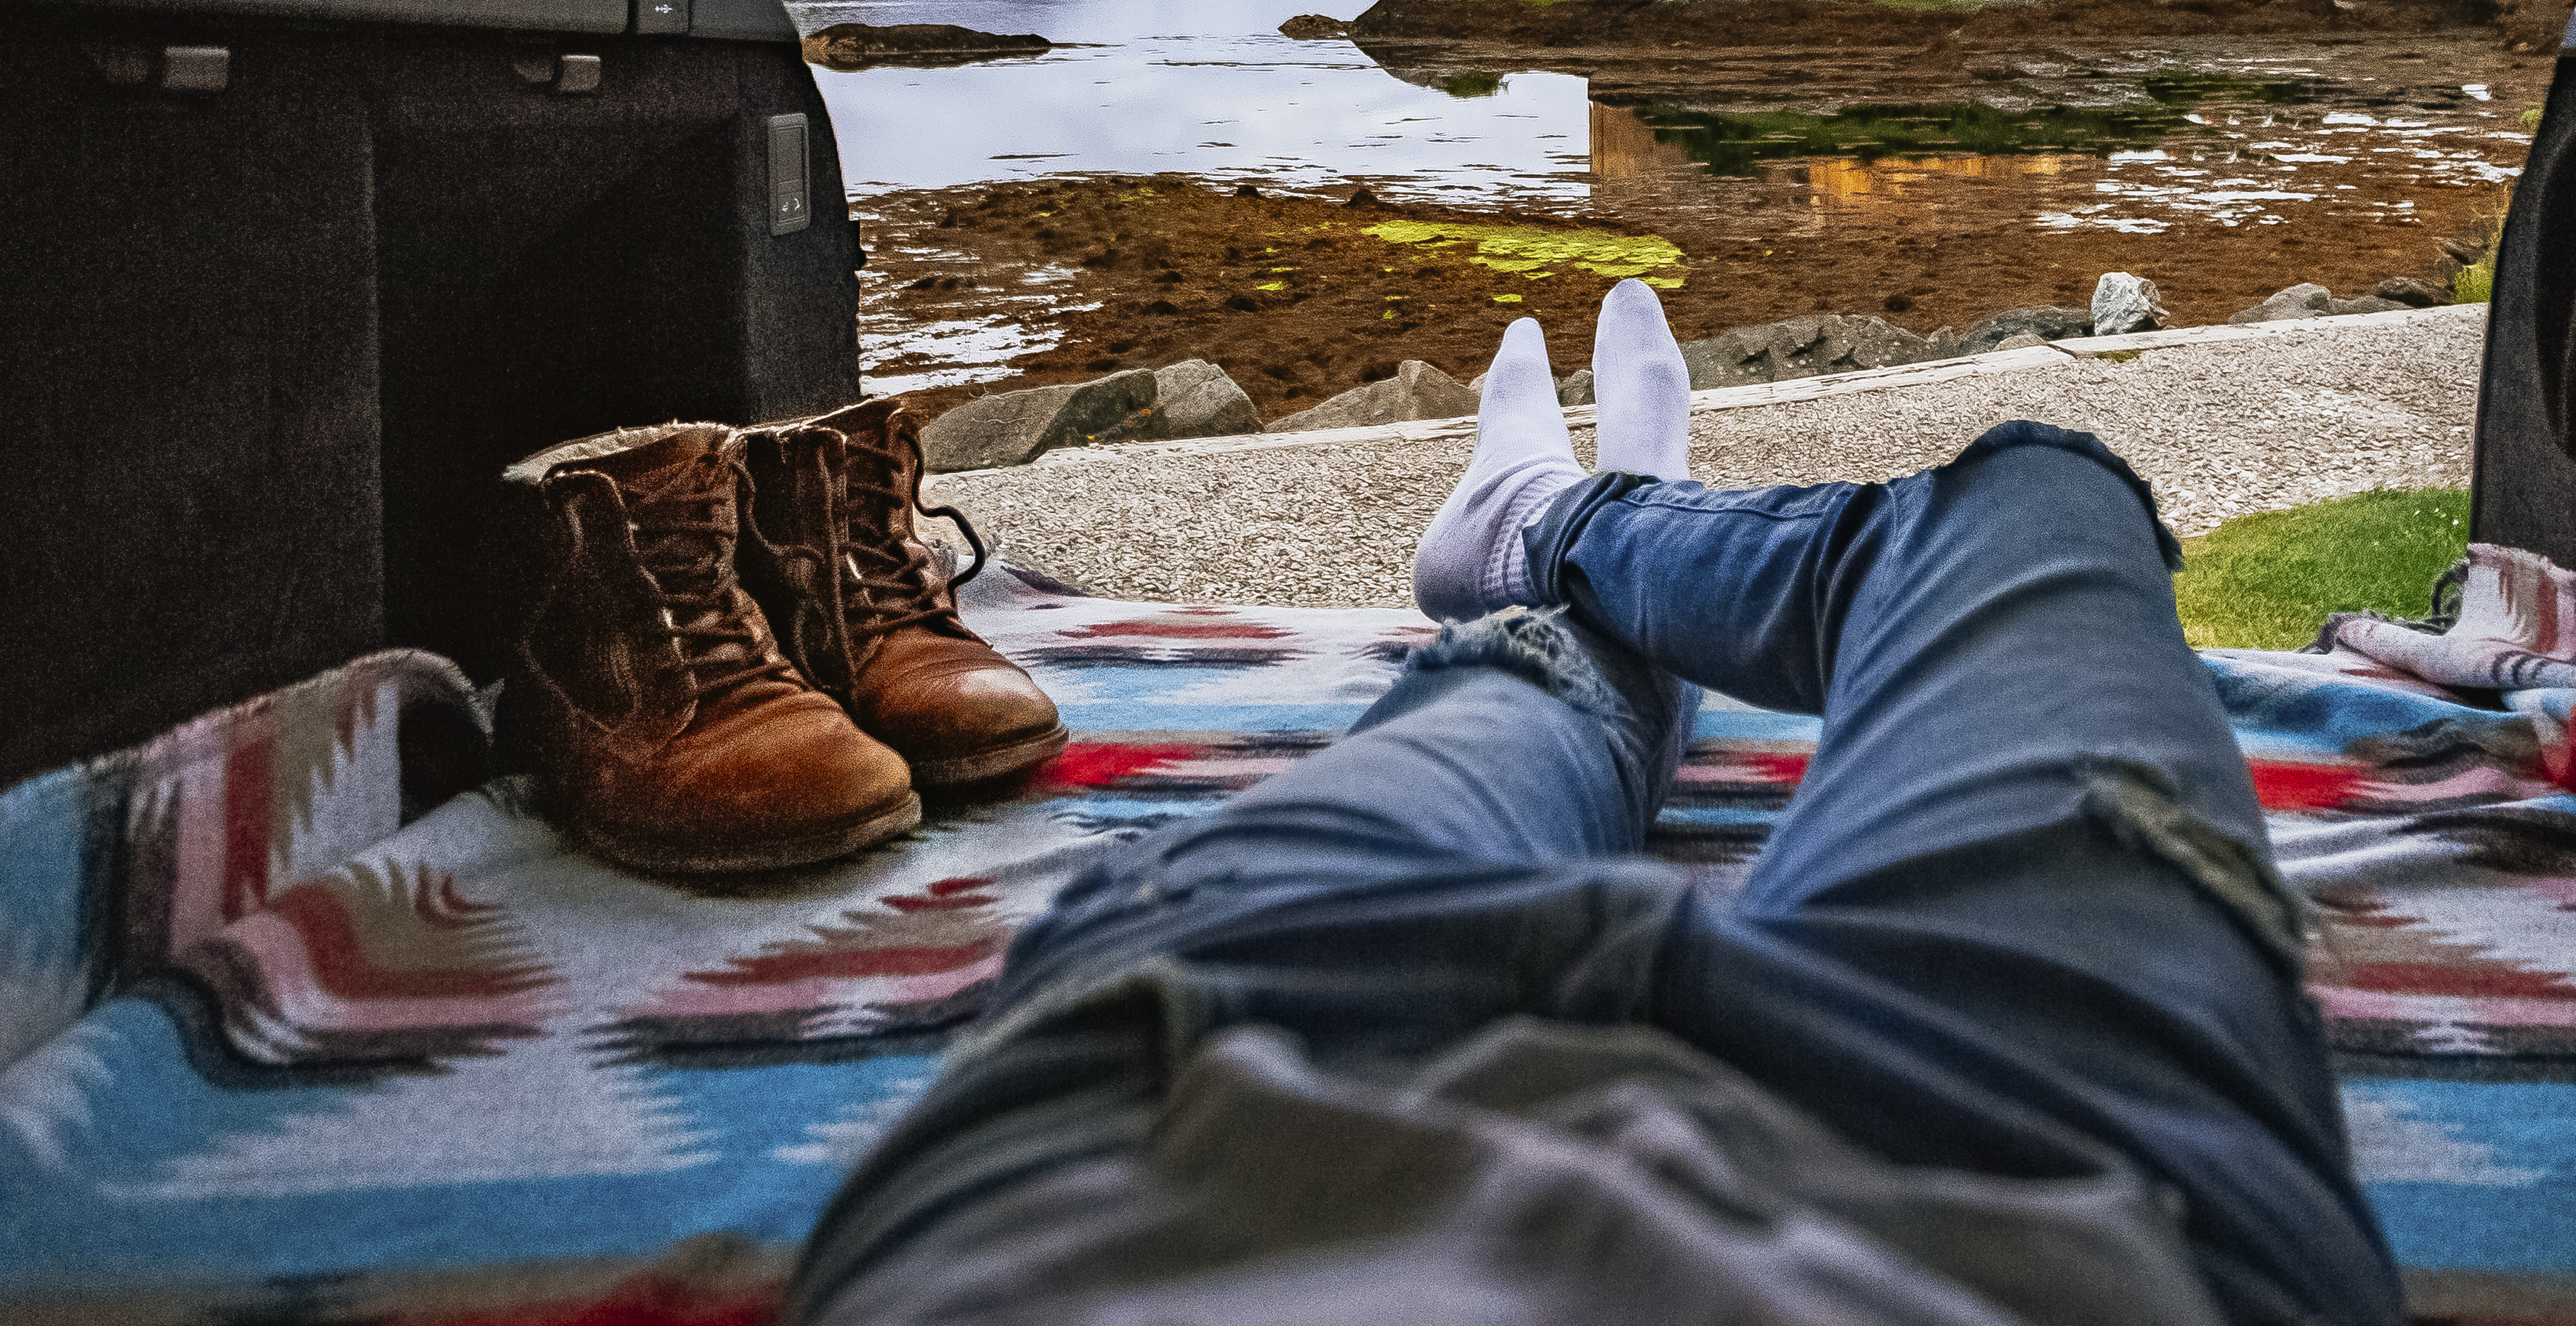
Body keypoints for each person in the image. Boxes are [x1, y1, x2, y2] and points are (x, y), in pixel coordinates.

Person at [791, 279, 2405, 1325]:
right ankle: (1586, 515)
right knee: (2038, 493)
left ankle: (1540, 522)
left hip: (1168, 1105)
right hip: (2081, 1199)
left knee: (1522, 685)